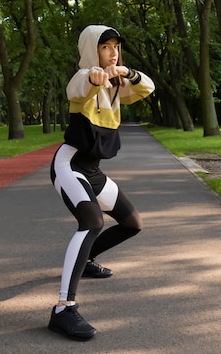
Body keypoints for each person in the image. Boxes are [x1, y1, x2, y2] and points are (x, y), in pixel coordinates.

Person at [48, 25, 155, 341]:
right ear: (91, 51)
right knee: (92, 222)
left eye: (115, 46)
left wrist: (128, 73)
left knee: (133, 223)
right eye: (105, 46)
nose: (113, 51)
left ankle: (88, 259)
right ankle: (63, 310)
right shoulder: (83, 77)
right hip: (70, 165)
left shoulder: (118, 85)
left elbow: (147, 87)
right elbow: (79, 86)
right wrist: (95, 76)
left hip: (93, 171)